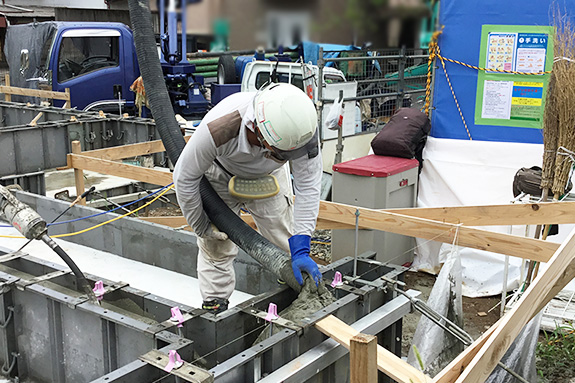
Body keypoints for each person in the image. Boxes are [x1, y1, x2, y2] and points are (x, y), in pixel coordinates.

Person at [173, 83, 323, 313]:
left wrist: (302, 245)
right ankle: (215, 305)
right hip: (220, 173)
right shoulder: (220, 127)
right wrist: (200, 225)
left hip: (269, 174)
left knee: (283, 237)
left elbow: (308, 186)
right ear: (258, 132)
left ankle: (293, 294)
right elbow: (185, 176)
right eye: (283, 154)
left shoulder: (301, 131)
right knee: (216, 245)